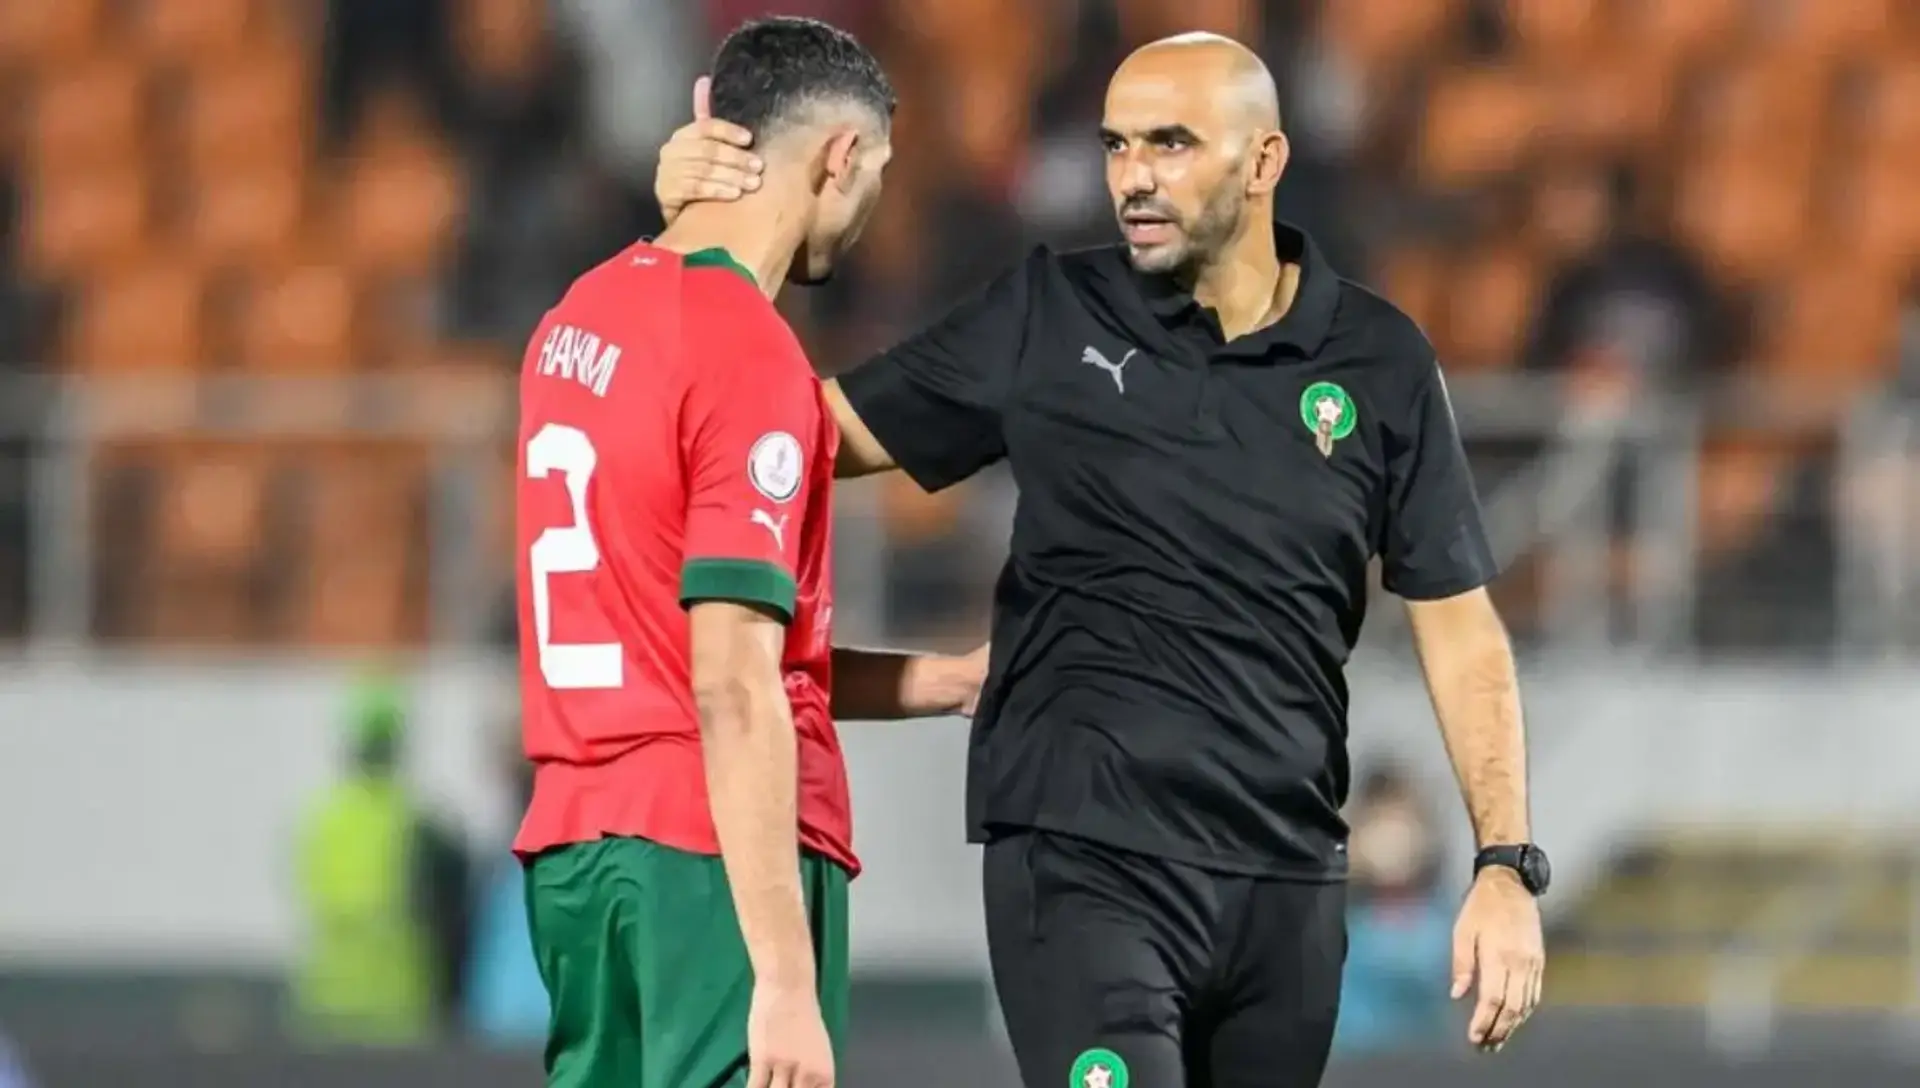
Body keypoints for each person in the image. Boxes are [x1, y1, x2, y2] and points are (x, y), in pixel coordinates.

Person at [654, 30, 1548, 1088]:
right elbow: (779, 433)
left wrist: (1504, 864)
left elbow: (1460, 627)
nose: (1133, 176)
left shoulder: (1380, 360)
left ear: (1264, 160)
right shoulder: (1049, 314)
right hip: (1081, 860)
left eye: (1171, 143)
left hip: (1288, 878)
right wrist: (693, 242)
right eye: (1118, 145)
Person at [513, 18, 986, 1088]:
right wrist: (780, 970)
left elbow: (679, 640)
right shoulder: (746, 350)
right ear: (840, 157)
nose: (869, 209)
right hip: (709, 863)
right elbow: (729, 683)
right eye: (877, 175)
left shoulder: (575, 319)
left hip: (578, 856)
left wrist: (946, 680)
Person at [1334, 765, 1455, 1054]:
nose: (1390, 839)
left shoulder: (1448, 924)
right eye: (1377, 822)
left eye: (1401, 822)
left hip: (1429, 1063)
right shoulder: (1332, 921)